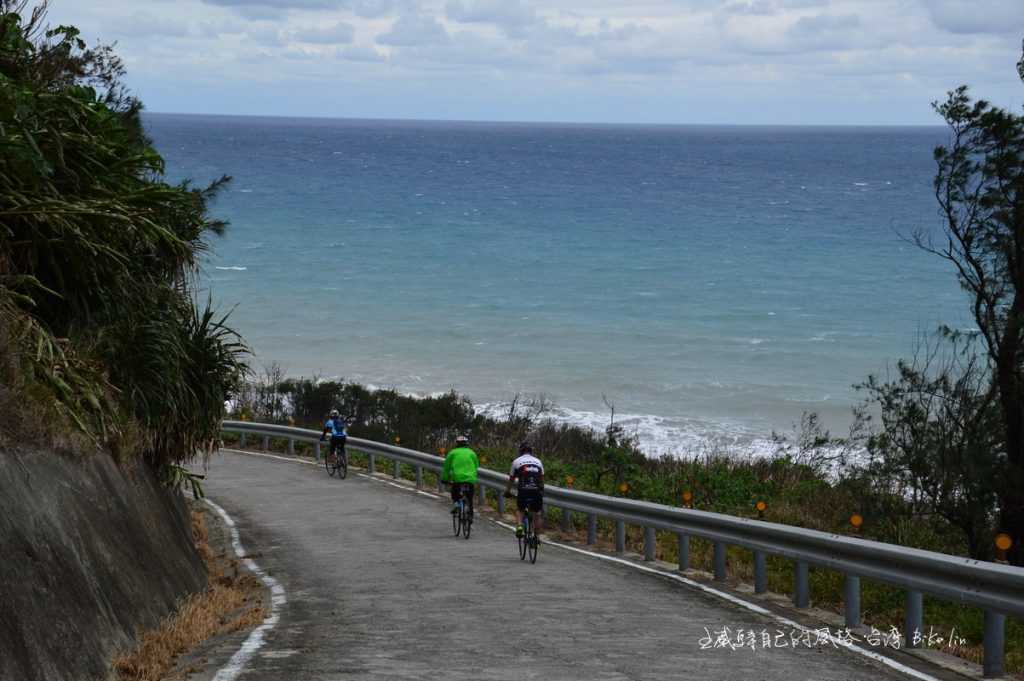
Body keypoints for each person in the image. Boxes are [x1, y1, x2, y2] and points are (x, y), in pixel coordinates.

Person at [504, 442, 544, 539]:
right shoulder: (538, 461)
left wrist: (507, 491)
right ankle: (537, 538)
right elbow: (541, 479)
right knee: (537, 513)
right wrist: (541, 491)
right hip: (536, 490)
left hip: (523, 490)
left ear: (520, 451)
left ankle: (520, 526)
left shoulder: (516, 461)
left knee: (520, 510)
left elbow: (512, 479)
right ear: (531, 451)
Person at [441, 434, 479, 517]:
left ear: (457, 444)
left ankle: (457, 504)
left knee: (454, 492)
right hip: (470, 479)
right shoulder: (472, 453)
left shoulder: (452, 453)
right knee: (470, 497)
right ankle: (470, 515)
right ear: (467, 443)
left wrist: (444, 479)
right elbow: (476, 466)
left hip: (457, 478)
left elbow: (446, 468)